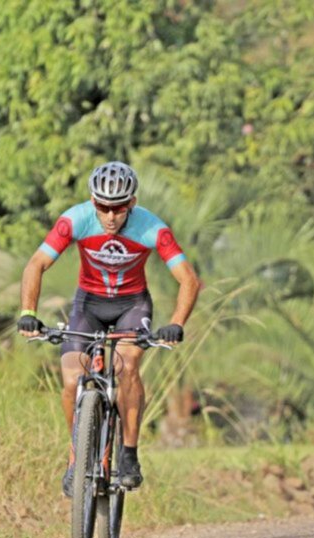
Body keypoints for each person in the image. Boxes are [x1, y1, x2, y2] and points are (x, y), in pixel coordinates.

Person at [17, 161, 201, 497]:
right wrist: (28, 311)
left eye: (118, 207)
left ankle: (129, 455)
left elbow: (188, 278)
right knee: (72, 379)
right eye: (103, 207)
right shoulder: (75, 220)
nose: (110, 216)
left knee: (127, 365)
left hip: (132, 305)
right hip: (88, 306)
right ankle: (77, 458)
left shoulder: (152, 229)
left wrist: (176, 323)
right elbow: (37, 264)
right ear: (92, 201)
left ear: (132, 202)